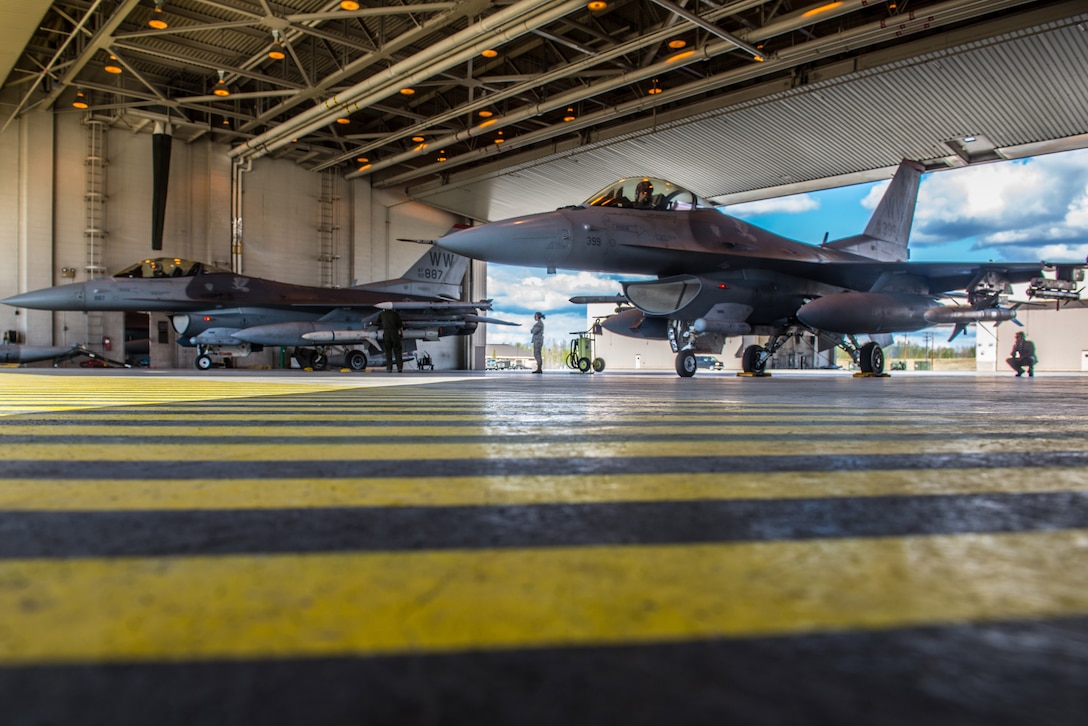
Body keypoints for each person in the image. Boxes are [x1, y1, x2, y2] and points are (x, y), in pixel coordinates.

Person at [379, 307, 404, 372]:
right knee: (398, 351)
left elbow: (378, 322)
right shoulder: (395, 314)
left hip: (386, 335)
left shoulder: (382, 314)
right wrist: (401, 334)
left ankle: (389, 368)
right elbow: (400, 326)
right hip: (395, 334)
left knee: (388, 352)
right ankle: (399, 367)